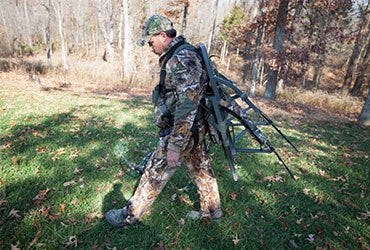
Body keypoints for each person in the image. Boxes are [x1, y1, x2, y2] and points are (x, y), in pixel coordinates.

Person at [105, 14, 222, 227]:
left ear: (162, 36)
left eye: (150, 41)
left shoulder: (182, 59)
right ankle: (213, 212)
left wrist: (174, 146)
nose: (150, 46)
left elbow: (187, 106)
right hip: (194, 128)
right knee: (201, 168)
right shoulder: (179, 55)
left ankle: (130, 215)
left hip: (183, 129)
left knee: (155, 172)